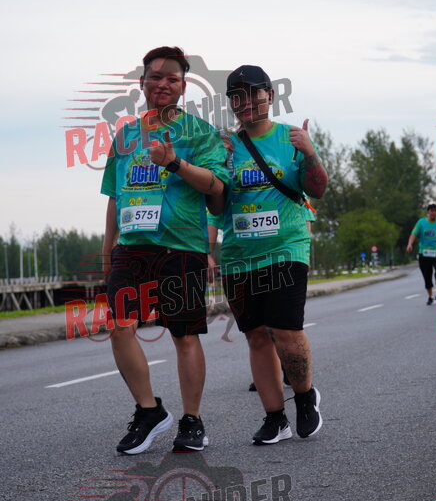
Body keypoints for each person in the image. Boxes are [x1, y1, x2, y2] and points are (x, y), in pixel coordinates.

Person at [101, 45, 228, 454]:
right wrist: (108, 249)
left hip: (181, 246)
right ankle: (149, 410)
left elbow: (217, 187)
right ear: (142, 83)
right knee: (119, 327)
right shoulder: (125, 136)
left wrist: (175, 163)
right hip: (131, 247)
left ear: (183, 87)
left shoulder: (200, 133)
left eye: (172, 78)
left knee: (184, 335)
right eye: (155, 77)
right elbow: (114, 196)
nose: (163, 84)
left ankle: (192, 420)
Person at [210, 64, 328, 445]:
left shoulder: (290, 138)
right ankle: (275, 418)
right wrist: (216, 167)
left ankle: (305, 397)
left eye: (253, 94)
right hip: (239, 256)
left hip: (286, 248)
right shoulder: (225, 147)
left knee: (286, 331)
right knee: (257, 337)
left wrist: (310, 153)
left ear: (270, 96)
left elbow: (318, 189)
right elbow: (215, 206)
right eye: (236, 97)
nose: (245, 102)